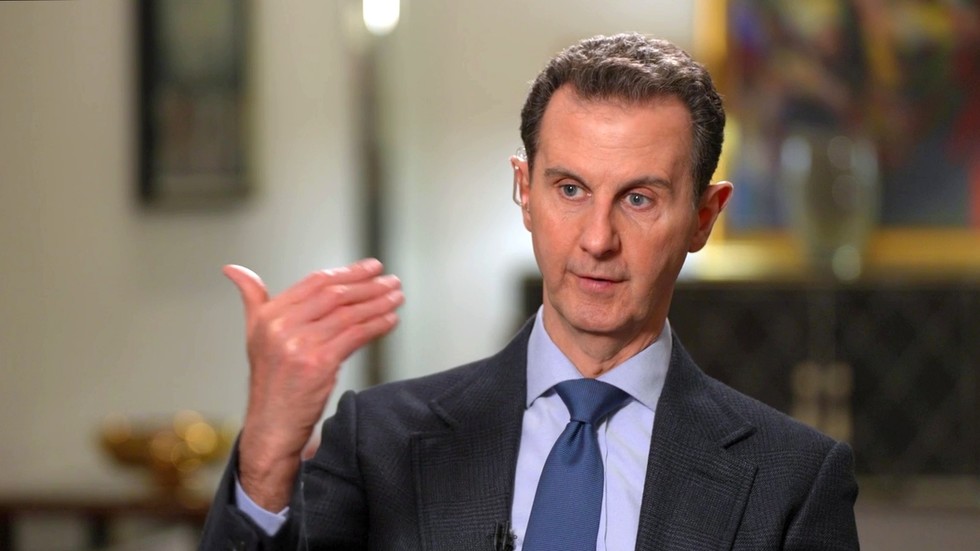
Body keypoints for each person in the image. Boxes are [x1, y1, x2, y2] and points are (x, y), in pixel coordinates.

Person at [200, 33, 859, 550]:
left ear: (703, 217)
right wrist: (268, 455)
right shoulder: (378, 441)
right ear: (525, 190)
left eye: (638, 198)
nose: (597, 239)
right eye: (570, 189)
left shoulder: (793, 479)